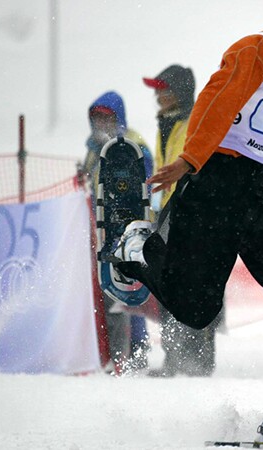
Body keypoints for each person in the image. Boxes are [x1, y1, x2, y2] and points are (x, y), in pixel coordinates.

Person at [116, 0, 263, 445]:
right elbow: (215, 103)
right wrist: (190, 159)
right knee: (196, 309)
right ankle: (138, 249)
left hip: (255, 189)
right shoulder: (257, 49)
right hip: (214, 182)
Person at [142, 64, 218, 377]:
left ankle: (199, 360)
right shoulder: (168, 123)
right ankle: (175, 358)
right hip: (169, 215)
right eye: (157, 90)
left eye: (166, 90)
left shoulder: (194, 123)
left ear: (180, 93)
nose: (160, 96)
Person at [83, 91, 153, 373]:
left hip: (127, 223)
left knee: (129, 285)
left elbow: (144, 177)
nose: (101, 123)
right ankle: (113, 350)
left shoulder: (133, 144)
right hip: (103, 221)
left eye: (106, 117)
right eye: (96, 118)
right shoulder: (94, 146)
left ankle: (136, 349)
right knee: (109, 286)